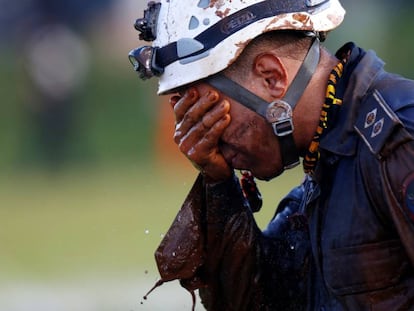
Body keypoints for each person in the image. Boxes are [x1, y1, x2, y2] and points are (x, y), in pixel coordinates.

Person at [129, 0, 414, 310]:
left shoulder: (399, 139)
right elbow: (257, 302)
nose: (208, 140)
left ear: (271, 77)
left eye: (209, 112)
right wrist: (218, 183)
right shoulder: (324, 169)